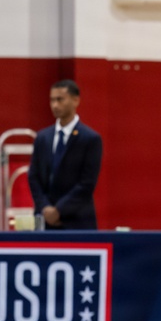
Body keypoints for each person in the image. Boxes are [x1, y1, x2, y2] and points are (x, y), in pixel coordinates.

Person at [27, 79, 103, 230]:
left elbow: (86, 184)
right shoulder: (42, 137)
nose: (55, 105)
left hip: (77, 221)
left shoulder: (90, 139)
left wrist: (59, 210)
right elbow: (33, 176)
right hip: (44, 220)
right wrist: (45, 208)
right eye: (52, 100)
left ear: (75, 100)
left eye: (60, 99)